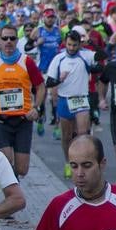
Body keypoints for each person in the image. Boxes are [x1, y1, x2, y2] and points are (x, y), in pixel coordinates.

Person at [0, 27, 47, 176]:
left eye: (12, 38)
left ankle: (13, 187)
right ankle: (14, 195)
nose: (8, 41)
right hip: (1, 120)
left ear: (17, 40)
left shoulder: (27, 62)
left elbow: (41, 87)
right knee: (6, 163)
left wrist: (36, 107)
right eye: (5, 38)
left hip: (23, 120)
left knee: (22, 169)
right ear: (0, 41)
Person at [45, 29, 96, 172]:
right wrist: (58, 79)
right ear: (65, 44)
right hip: (65, 99)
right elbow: (48, 82)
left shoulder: (86, 55)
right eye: (69, 45)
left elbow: (102, 56)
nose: (72, 48)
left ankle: (84, 162)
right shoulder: (59, 59)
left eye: (75, 45)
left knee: (82, 133)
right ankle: (69, 162)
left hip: (81, 99)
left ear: (80, 44)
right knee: (66, 136)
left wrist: (91, 42)